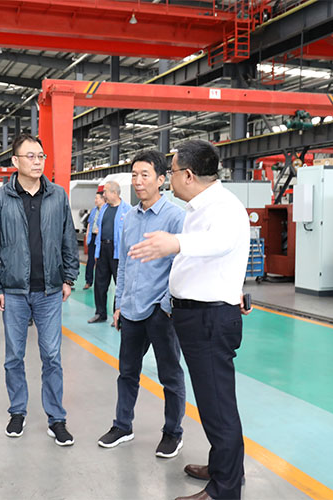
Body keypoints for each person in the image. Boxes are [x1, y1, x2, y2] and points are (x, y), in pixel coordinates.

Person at [128, 140, 252, 500]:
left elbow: (221, 243)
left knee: (218, 407)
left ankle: (224, 489)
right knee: (214, 403)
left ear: (188, 174)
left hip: (209, 319)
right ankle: (224, 467)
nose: (169, 178)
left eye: (171, 171)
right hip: (198, 317)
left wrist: (176, 244)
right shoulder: (200, 207)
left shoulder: (223, 207)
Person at [0, 133, 79, 446]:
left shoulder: (58, 195)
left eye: (41, 156)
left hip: (50, 291)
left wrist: (68, 278)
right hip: (13, 291)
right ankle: (17, 411)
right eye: (30, 156)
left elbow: (68, 238)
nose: (37, 162)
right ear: (15, 161)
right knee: (14, 356)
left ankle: (56, 418)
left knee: (52, 356)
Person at [96, 150, 187, 459]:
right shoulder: (129, 218)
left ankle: (173, 433)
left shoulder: (175, 217)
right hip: (132, 310)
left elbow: (180, 266)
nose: (137, 181)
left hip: (160, 312)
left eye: (144, 175)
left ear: (161, 179)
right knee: (127, 373)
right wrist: (119, 302)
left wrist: (166, 307)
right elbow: (124, 263)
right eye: (134, 175)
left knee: (170, 376)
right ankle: (123, 426)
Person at [89, 181, 131, 324]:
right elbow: (99, 229)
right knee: (100, 283)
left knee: (119, 284)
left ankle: (117, 315)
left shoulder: (127, 210)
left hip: (117, 251)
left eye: (105, 191)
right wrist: (97, 252)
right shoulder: (104, 209)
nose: (103, 195)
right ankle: (100, 313)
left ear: (114, 193)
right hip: (103, 248)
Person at [83, 191, 105, 290]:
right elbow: (89, 223)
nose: (95, 200)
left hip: (102, 238)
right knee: (90, 260)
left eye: (97, 198)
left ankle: (100, 283)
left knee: (101, 261)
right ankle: (88, 281)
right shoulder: (93, 210)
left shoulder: (106, 210)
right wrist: (87, 235)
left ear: (103, 199)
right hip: (93, 237)